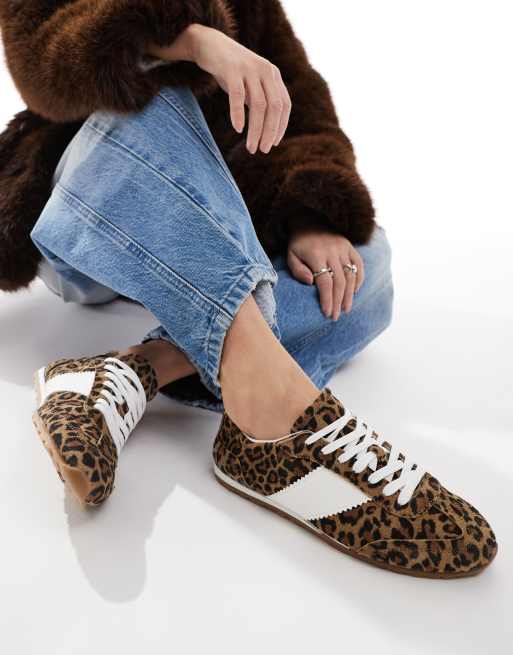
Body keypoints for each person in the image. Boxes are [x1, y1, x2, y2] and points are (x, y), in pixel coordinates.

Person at [0, 1, 497, 578]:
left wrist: (310, 216)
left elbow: (304, 110)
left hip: (205, 237)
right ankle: (270, 413)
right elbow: (40, 65)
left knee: (366, 262)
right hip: (92, 209)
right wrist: (193, 41)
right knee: (149, 106)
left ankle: (142, 367)